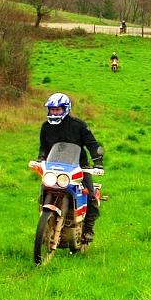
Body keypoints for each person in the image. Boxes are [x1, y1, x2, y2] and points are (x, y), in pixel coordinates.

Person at [38, 92, 104, 244]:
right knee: (43, 190)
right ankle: (45, 225)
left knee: (91, 196)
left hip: (78, 167)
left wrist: (98, 162)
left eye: (58, 109)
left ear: (66, 109)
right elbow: (43, 147)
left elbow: (93, 145)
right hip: (54, 168)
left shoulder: (78, 125)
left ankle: (88, 229)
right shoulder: (46, 127)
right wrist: (40, 159)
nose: (54, 112)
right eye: (52, 109)